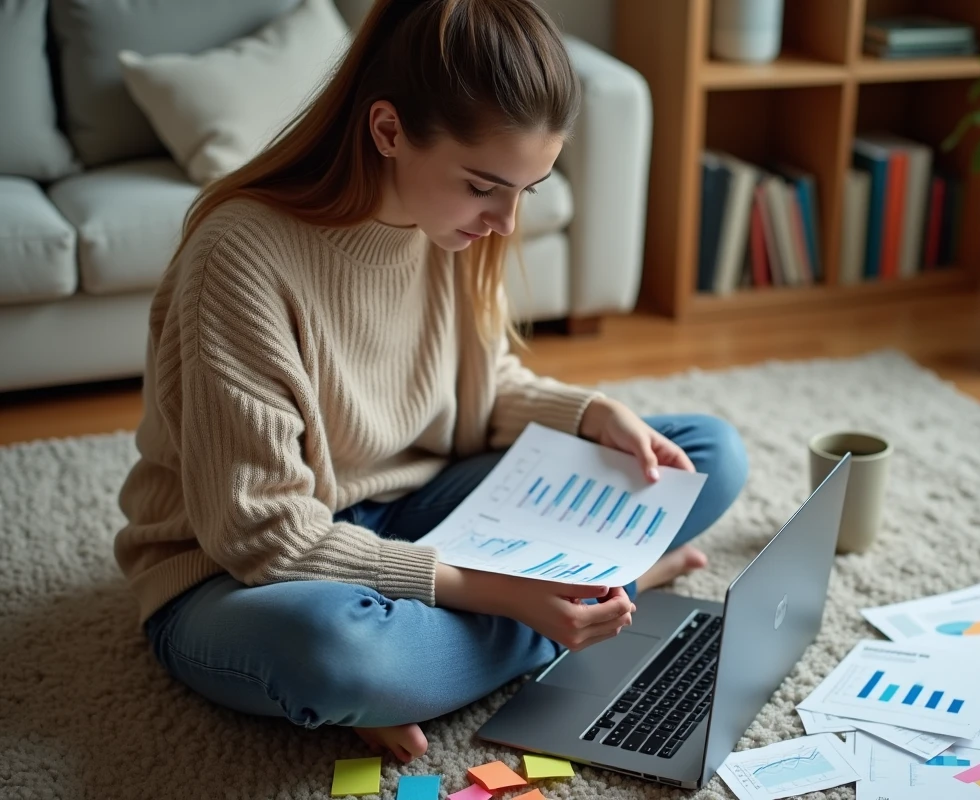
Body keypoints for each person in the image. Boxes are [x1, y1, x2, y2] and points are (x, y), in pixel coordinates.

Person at [114, 0, 748, 765]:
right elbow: (263, 534)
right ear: (387, 131)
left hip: (417, 511)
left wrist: (589, 411)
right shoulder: (241, 258)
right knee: (338, 651)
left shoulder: (446, 224)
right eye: (485, 186)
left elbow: (474, 394)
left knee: (700, 454)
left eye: (529, 189)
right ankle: (608, 594)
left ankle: (441, 664)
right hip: (236, 575)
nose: (507, 222)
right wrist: (498, 589)